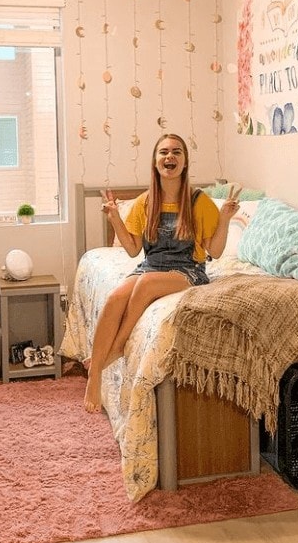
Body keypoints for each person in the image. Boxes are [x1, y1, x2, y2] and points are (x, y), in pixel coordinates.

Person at [84, 134, 240, 413]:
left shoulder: (198, 200)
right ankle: (94, 375)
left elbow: (215, 251)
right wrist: (114, 218)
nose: (170, 157)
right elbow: (133, 250)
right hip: (151, 264)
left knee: (145, 284)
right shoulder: (145, 202)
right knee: (114, 299)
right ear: (155, 162)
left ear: (184, 162)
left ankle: (118, 346)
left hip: (187, 269)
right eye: (164, 152)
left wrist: (225, 218)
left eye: (176, 152)